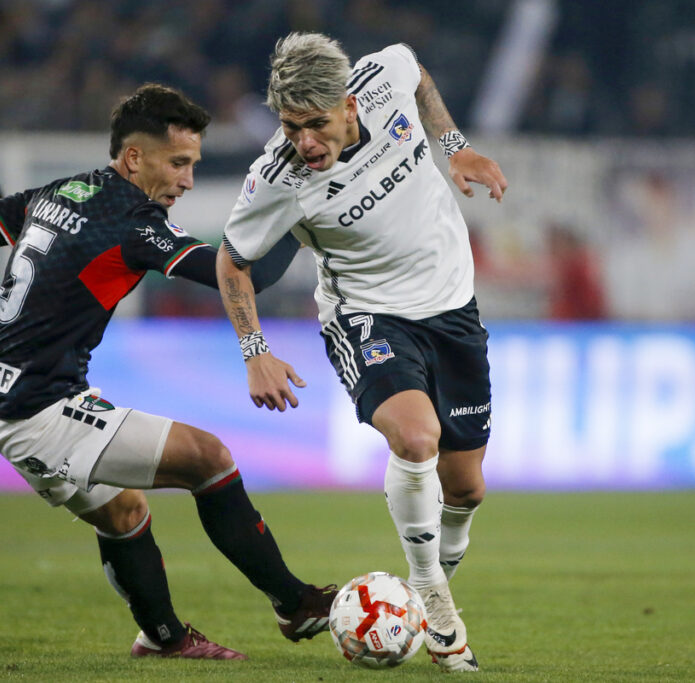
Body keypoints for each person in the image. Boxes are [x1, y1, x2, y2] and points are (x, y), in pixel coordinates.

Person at [0, 83, 333, 659]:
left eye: (192, 165)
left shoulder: (66, 190)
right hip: (39, 411)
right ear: (134, 158)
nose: (186, 180)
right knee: (209, 459)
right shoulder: (135, 223)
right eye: (178, 164)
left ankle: (163, 639)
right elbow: (243, 277)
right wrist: (297, 220)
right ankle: (294, 602)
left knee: (124, 510)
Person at [216, 33, 508, 673]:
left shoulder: (385, 77)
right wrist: (254, 350)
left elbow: (420, 72)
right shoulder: (276, 178)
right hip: (368, 315)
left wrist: (453, 148)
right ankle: (431, 599)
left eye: (316, 125)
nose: (305, 143)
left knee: (466, 489)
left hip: (454, 308)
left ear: (351, 105)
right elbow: (232, 261)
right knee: (415, 438)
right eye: (291, 128)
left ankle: (433, 577)